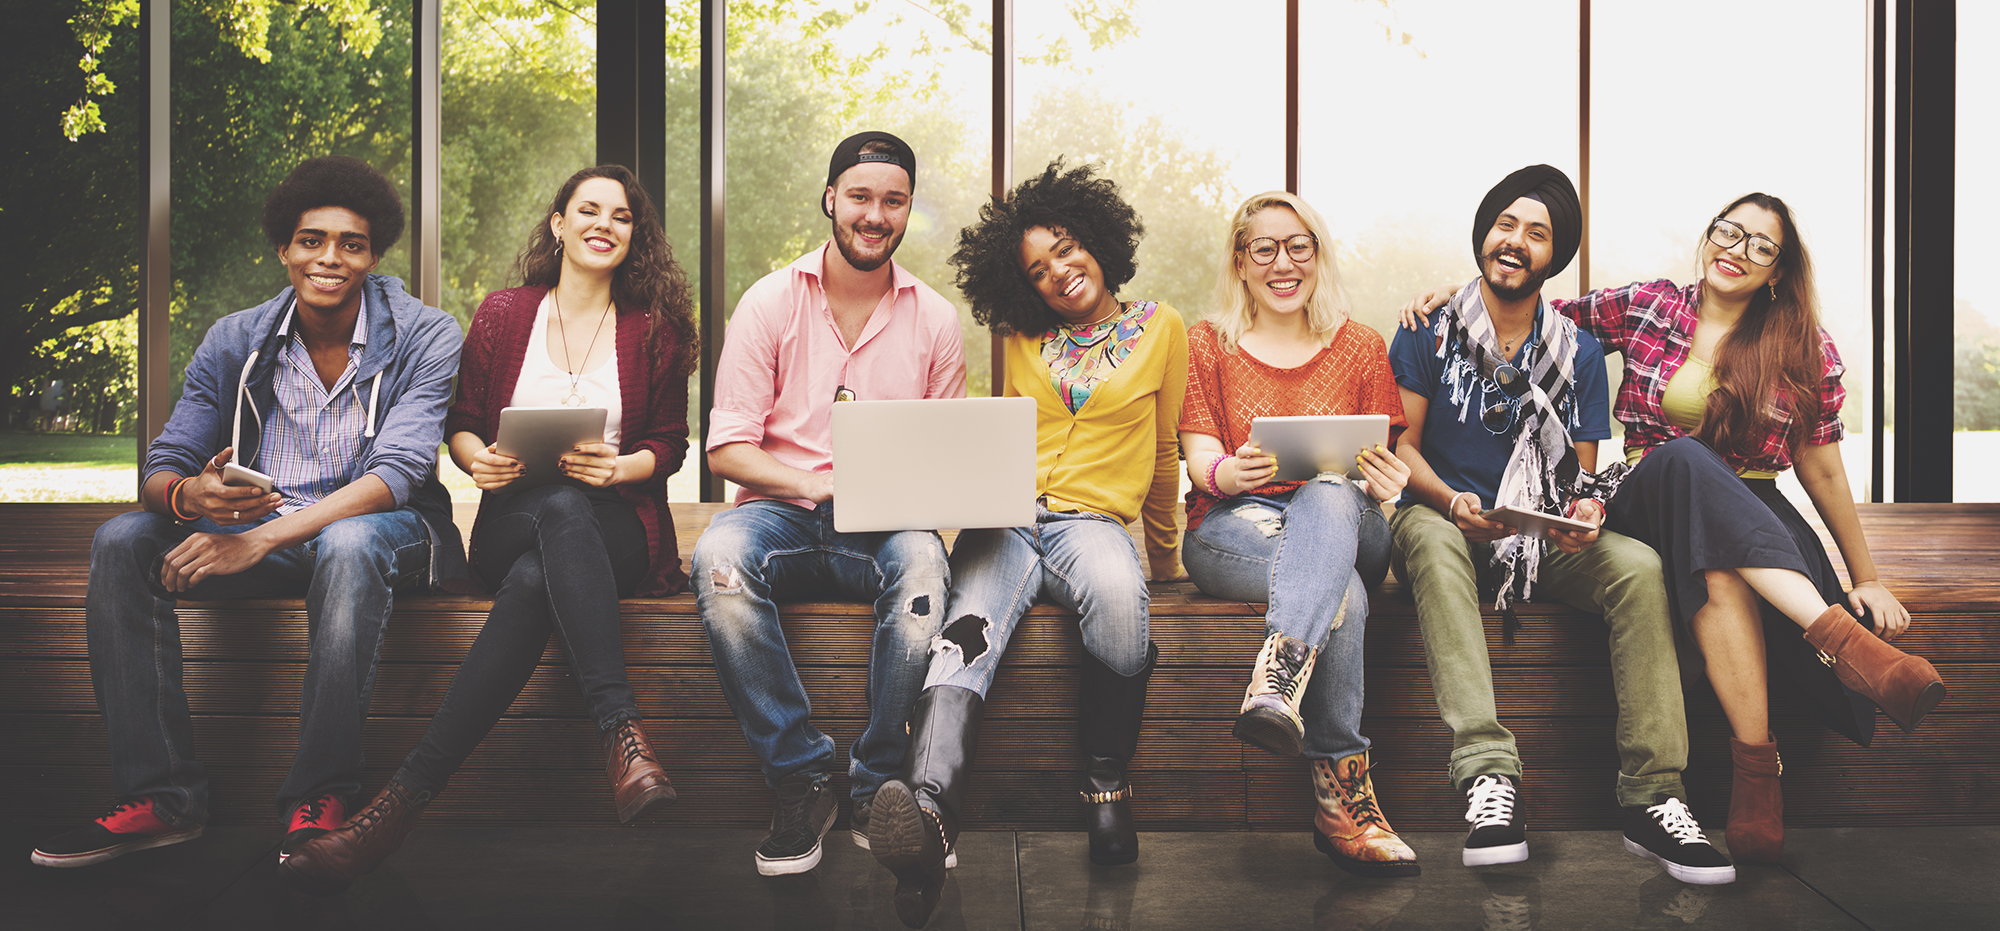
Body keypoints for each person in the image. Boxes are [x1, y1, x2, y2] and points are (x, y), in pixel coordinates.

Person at [1401, 192, 1944, 863]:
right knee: (1682, 456)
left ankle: (1755, 771)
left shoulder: (1805, 347)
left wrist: (1867, 576)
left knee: (1715, 561)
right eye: (1728, 231)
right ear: (1709, 235)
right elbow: (1533, 310)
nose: (1736, 250)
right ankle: (1848, 644)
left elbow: (1825, 473)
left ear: (1777, 271)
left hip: (1753, 514)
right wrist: (1464, 291)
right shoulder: (1652, 305)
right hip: (1645, 491)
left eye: (1760, 246)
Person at [31, 156, 466, 869]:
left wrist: (258, 538)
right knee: (121, 540)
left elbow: (398, 473)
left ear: (374, 254)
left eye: (351, 243)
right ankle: (161, 798)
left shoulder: (426, 333)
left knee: (350, 542)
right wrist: (188, 497)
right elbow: (163, 461)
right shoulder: (237, 337)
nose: (330, 257)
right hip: (260, 533)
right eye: (311, 239)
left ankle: (318, 795)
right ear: (284, 249)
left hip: (389, 533)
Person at [278, 165, 700, 894]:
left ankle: (396, 807)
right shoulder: (505, 313)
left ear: (636, 237)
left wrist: (622, 466)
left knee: (552, 552)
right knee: (552, 515)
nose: (604, 224)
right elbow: (462, 423)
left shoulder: (653, 326)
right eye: (588, 210)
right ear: (559, 223)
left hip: (618, 528)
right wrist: (481, 462)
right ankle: (621, 733)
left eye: (622, 216)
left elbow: (669, 442)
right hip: (512, 516)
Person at [1386, 165, 1733, 885]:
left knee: (1637, 565)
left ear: (1556, 255)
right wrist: (1453, 500)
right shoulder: (1428, 327)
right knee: (1421, 530)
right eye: (1505, 225)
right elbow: (1401, 447)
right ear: (1483, 235)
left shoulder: (1575, 349)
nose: (1515, 241)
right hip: (1448, 522)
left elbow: (1576, 474)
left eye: (1537, 233)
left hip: (1534, 539)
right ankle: (1488, 777)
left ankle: (1654, 794)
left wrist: (1580, 513)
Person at [867, 160, 1185, 928]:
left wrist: (1168, 558)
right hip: (1005, 517)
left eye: (1068, 249)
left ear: (1100, 241)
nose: (1059, 273)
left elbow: (1167, 450)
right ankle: (930, 808)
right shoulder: (1016, 337)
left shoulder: (1162, 329)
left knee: (1118, 593)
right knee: (963, 632)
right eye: (1038, 270)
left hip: (1092, 523)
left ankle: (1106, 784)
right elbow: (994, 431)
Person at [692, 131, 965, 877]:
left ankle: (879, 782)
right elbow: (726, 449)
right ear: (830, 199)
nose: (875, 215)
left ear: (908, 209)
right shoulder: (769, 302)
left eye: (893, 200)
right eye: (860, 197)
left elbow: (945, 458)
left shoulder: (936, 320)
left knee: (921, 562)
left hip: (880, 527)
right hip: (779, 513)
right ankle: (801, 778)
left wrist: (926, 489)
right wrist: (813, 482)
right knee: (718, 555)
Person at [1176, 191, 1418, 878]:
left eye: (1299, 246)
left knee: (1331, 489)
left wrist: (1384, 479)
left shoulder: (1362, 345)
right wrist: (1231, 470)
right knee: (1344, 594)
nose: (1284, 263)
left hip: (1350, 521)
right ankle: (1344, 802)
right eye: (1265, 248)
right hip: (1235, 528)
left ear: (1318, 254)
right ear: (1241, 261)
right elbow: (1201, 464)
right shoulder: (1207, 343)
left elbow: (1382, 464)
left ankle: (1278, 680)